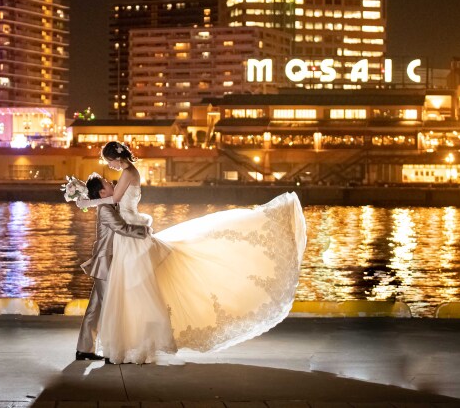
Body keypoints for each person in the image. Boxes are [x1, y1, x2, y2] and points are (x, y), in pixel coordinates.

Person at [77, 141, 308, 364]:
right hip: (125, 238)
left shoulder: (127, 174)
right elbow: (115, 205)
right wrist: (89, 197)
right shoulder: (127, 174)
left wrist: (88, 203)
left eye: (111, 163)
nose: (111, 168)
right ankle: (112, 345)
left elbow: (116, 200)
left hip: (129, 236)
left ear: (118, 157)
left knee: (129, 293)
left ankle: (119, 345)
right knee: (124, 294)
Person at [75, 173, 151, 361]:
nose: (112, 184)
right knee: (110, 306)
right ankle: (112, 352)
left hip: (106, 259)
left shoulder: (107, 205)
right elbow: (121, 228)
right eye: (108, 183)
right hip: (105, 262)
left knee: (96, 307)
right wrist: (144, 231)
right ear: (102, 193)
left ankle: (84, 348)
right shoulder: (105, 209)